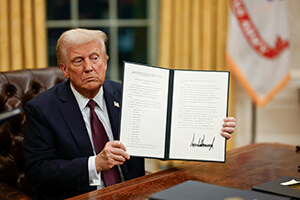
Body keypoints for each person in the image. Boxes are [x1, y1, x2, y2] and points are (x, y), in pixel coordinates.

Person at [23, 28, 236, 199]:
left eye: (95, 58)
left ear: (105, 62)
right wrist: (95, 164)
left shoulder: (129, 94)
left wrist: (212, 129)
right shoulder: (42, 109)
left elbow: (167, 136)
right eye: (78, 61)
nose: (89, 67)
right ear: (64, 69)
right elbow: (37, 172)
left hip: (134, 192)